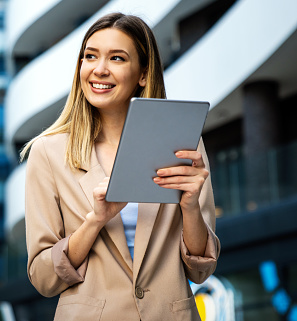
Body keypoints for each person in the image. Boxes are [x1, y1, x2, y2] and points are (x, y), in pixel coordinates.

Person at [21, 12, 220, 321]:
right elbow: (44, 277)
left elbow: (200, 270)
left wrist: (191, 207)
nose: (99, 70)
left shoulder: (184, 143)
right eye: (90, 56)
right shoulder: (49, 152)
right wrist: (94, 222)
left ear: (142, 74)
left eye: (117, 58)